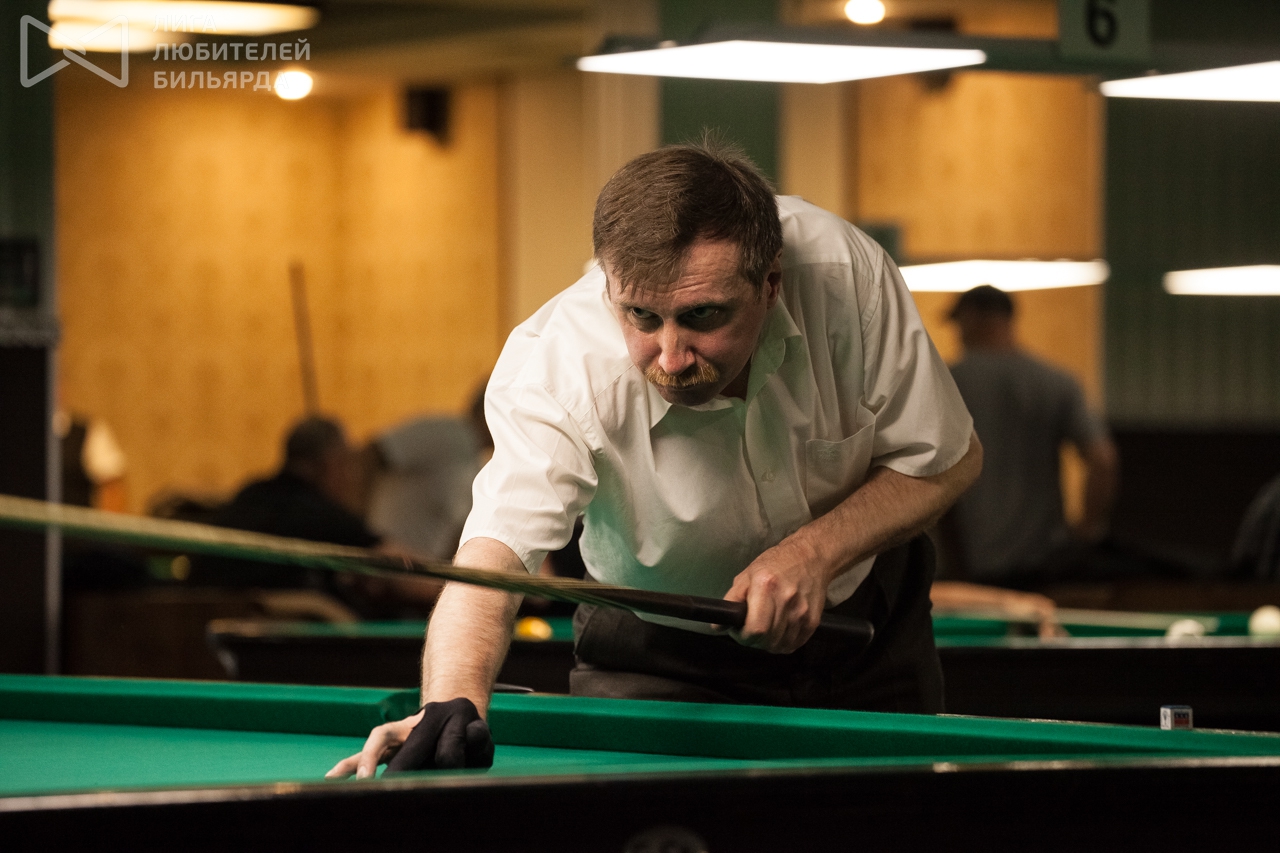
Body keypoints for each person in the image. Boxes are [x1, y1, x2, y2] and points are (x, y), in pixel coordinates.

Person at [329, 141, 981, 778]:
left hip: (863, 631)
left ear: (770, 283)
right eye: (641, 315)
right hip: (657, 654)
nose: (670, 356)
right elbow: (494, 557)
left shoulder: (845, 277)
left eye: (703, 315)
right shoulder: (560, 366)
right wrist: (450, 701)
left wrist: (816, 553)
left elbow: (949, 458)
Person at [941, 285, 1118, 585]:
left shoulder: (947, 383)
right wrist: (1087, 530)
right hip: (1045, 561)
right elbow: (1102, 460)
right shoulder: (1056, 381)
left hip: (970, 561)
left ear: (971, 318)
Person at [192, 416, 441, 614]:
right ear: (329, 463)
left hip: (195, 621)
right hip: (259, 633)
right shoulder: (316, 511)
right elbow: (407, 573)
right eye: (345, 464)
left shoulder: (251, 493)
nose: (349, 478)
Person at [364, 383, 493, 563]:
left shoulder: (477, 463)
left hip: (414, 571)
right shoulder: (447, 432)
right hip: (382, 562)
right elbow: (371, 455)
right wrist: (359, 529)